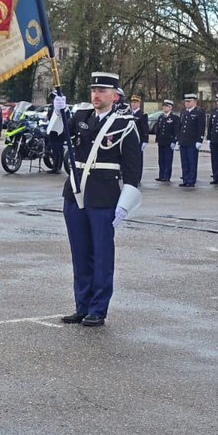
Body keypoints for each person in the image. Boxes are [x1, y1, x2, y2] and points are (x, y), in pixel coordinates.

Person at [56, 72, 143, 328]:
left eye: (102, 91)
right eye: (94, 90)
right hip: (75, 194)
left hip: (103, 198)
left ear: (115, 96)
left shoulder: (125, 125)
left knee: (102, 255)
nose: (96, 95)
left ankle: (98, 308)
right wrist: (57, 113)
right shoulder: (81, 117)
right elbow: (55, 139)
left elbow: (132, 170)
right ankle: (81, 305)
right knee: (80, 253)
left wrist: (125, 205)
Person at [176, 93, 205, 188]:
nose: (187, 103)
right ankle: (185, 179)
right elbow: (180, 127)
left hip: (192, 141)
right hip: (183, 141)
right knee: (184, 162)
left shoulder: (199, 112)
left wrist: (200, 140)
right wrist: (178, 139)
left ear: (195, 102)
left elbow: (201, 127)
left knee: (192, 162)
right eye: (186, 101)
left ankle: (191, 180)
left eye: (189, 101)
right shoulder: (183, 112)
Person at [153, 99, 178, 181]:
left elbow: (176, 130)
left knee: (167, 160)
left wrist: (174, 141)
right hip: (161, 141)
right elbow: (159, 129)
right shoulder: (161, 117)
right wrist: (157, 139)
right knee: (161, 160)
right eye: (164, 106)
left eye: (166, 106)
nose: (164, 108)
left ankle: (167, 176)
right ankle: (161, 175)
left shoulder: (174, 118)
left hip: (169, 142)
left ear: (170, 107)